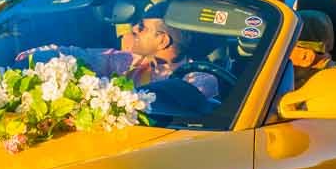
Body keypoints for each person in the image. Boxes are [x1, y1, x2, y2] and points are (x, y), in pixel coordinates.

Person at [22, 14, 221, 104]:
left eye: (141, 27)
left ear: (162, 40)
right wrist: (33, 58)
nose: (133, 29)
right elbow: (78, 55)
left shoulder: (198, 77)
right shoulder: (127, 61)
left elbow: (188, 96)